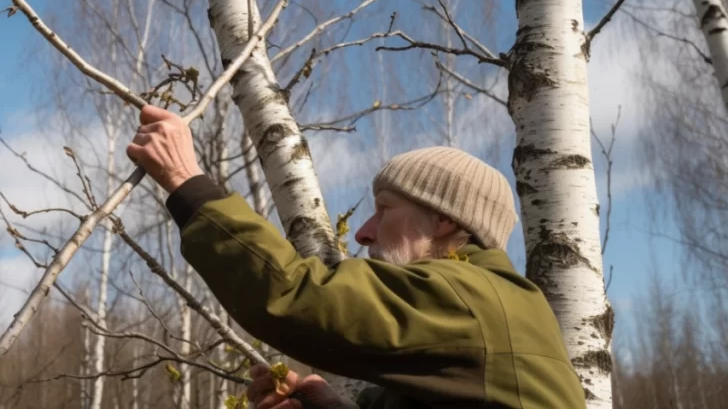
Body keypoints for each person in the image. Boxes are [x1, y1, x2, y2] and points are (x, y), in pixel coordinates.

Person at [126, 105, 587, 409]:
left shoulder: (471, 300)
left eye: (385, 210)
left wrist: (186, 182)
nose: (364, 233)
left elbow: (295, 294)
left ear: (446, 222)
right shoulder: (484, 312)